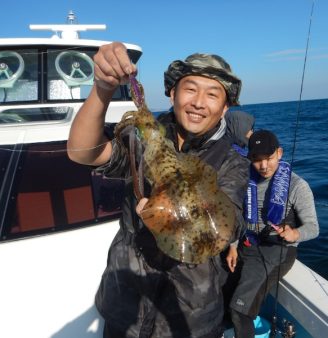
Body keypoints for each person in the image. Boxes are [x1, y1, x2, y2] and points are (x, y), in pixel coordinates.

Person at [67, 42, 250, 338]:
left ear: (225, 106)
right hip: (127, 305)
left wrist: (166, 218)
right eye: (190, 89)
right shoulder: (142, 137)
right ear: (172, 93)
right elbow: (82, 153)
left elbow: (227, 228)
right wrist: (103, 88)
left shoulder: (232, 162)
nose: (199, 102)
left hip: (190, 318)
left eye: (213, 94)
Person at [228, 129, 319, 338]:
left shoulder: (298, 186)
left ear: (279, 153)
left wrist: (295, 233)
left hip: (277, 250)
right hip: (247, 244)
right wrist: (232, 246)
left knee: (240, 310)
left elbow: (313, 227)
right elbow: (237, 217)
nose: (263, 166)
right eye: (257, 160)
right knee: (217, 292)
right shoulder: (246, 181)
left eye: (268, 158)